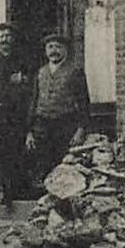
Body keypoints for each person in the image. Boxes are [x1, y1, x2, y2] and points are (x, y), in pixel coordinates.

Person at [0, 21, 37, 204]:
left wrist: (24, 79)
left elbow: (36, 82)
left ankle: (23, 190)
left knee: (22, 153)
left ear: (13, 38)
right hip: (0, 116)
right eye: (2, 36)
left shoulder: (24, 59)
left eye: (8, 35)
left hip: (21, 114)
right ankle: (8, 192)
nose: (5, 39)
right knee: (4, 154)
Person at [25, 32, 91, 184]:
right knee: (43, 165)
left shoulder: (75, 71)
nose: (54, 50)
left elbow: (84, 102)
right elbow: (33, 101)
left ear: (65, 50)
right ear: (46, 51)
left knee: (64, 166)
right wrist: (29, 131)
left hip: (65, 125)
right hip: (42, 126)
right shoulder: (40, 72)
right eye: (50, 47)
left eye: (58, 47)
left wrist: (81, 129)